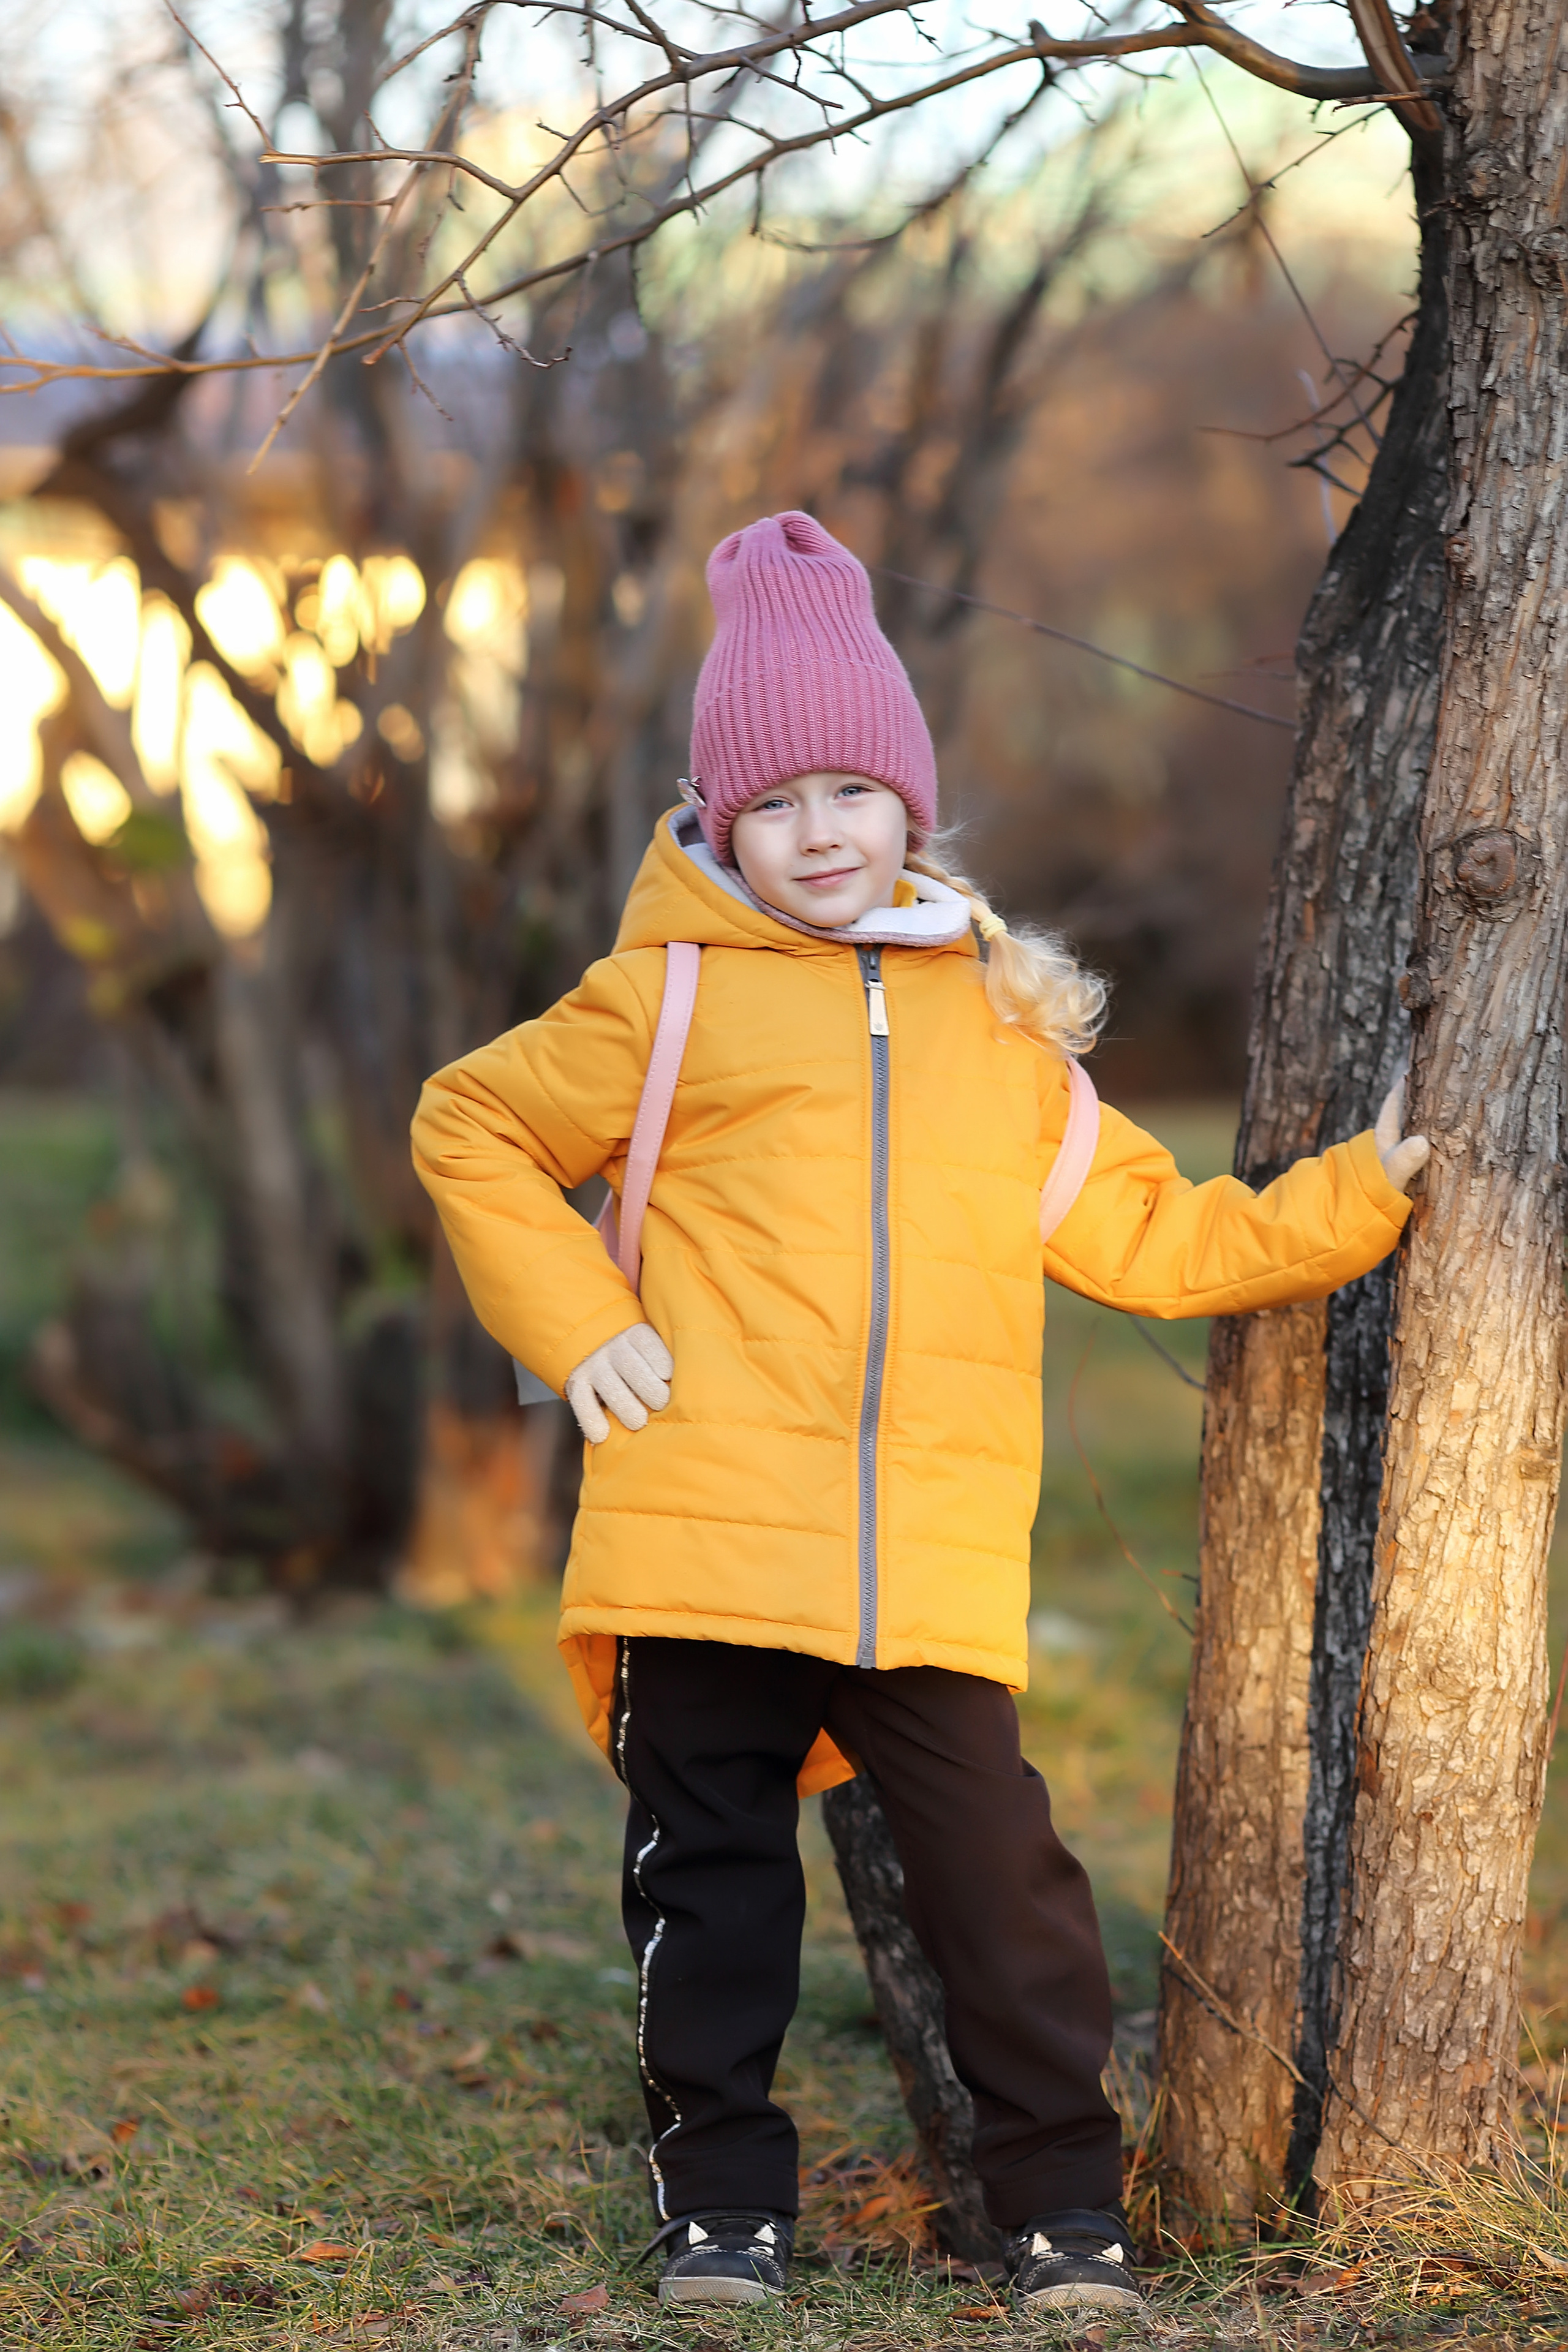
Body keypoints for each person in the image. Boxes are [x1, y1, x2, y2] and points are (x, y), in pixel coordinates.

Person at [411, 511, 1428, 2316]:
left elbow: (1153, 1233)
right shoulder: (663, 1000)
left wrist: (1358, 1196)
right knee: (711, 1893)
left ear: (910, 806)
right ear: (718, 820)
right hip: (701, 1537)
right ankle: (721, 2211)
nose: (819, 833)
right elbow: (470, 1124)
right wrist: (580, 1326)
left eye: (854, 794)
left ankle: (1063, 2216)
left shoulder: (997, 1032)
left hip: (929, 1562)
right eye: (776, 803)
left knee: (1006, 1894)